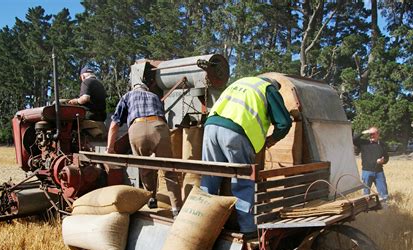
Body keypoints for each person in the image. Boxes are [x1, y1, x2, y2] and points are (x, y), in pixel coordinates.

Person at [200, 76, 292, 235]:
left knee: (210, 177)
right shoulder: (268, 89)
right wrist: (273, 139)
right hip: (236, 133)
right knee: (243, 181)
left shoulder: (240, 83)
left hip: (210, 127)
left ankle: (202, 223)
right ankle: (248, 228)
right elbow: (284, 123)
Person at [106, 82, 182, 217]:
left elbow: (114, 124)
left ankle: (151, 199)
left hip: (137, 128)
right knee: (169, 171)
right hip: (159, 127)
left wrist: (110, 148)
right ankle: (177, 209)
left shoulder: (127, 96)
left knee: (145, 169)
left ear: (133, 88)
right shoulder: (154, 96)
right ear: (146, 89)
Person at [353, 126, 389, 201]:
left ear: (378, 134)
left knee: (383, 192)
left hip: (379, 172)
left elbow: (386, 157)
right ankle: (367, 207)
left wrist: (383, 161)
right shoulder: (364, 143)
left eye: (373, 133)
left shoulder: (382, 145)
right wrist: (363, 132)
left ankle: (384, 206)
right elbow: (354, 139)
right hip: (367, 171)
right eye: (370, 134)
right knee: (366, 193)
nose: (371, 135)